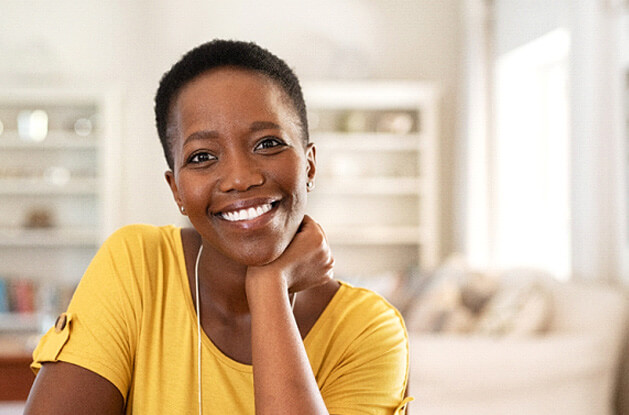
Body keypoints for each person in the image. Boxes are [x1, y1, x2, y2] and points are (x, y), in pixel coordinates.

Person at [24, 39, 412, 414]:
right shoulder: (138, 265)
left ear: (309, 165)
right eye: (203, 156)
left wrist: (267, 287)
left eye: (267, 143)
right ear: (176, 189)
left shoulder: (368, 330)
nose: (240, 179)